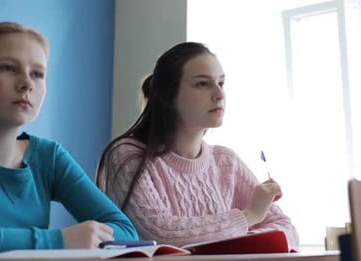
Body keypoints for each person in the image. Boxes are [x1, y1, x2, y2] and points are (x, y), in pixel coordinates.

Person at [97, 42, 299, 248]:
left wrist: (243, 237)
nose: (219, 94)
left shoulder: (226, 162)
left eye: (221, 83)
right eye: (202, 84)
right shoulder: (128, 155)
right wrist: (249, 216)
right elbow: (162, 233)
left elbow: (286, 228)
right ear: (169, 95)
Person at [0, 21, 138, 252]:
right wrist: (58, 241)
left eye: (37, 74)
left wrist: (91, 236)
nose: (26, 84)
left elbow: (126, 231)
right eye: (7, 68)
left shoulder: (48, 157)